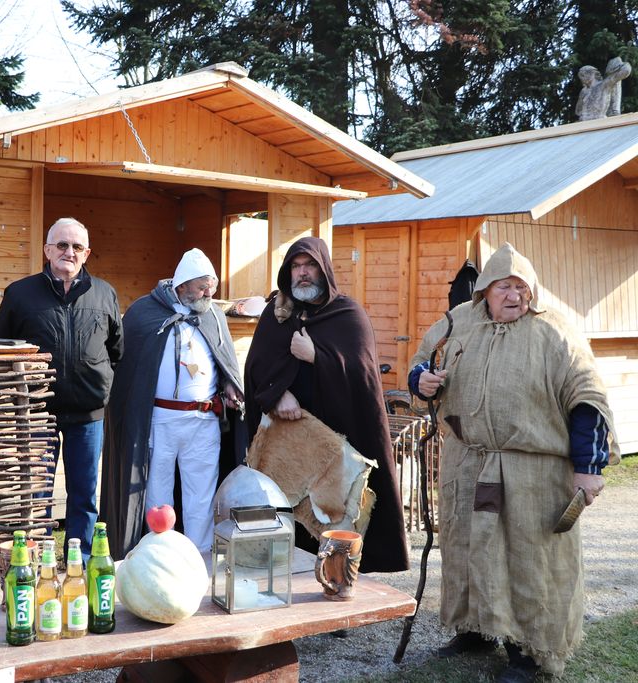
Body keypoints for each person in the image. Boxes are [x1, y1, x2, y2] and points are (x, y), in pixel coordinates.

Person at [410, 242, 619, 682]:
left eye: (521, 287)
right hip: (468, 462)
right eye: (503, 286)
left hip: (532, 473)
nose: (514, 295)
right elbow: (422, 362)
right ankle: (476, 629)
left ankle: (528, 650)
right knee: (466, 549)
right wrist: (422, 381)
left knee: (528, 559)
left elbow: (587, 400)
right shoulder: (458, 322)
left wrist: (589, 467)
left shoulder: (555, 332)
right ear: (484, 289)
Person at [244, 236, 409, 573]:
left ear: (325, 270)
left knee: (335, 518)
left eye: (310, 266)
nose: (303, 273)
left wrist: (316, 356)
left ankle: (336, 586)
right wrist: (276, 394)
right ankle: (285, 588)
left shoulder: (347, 314)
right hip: (288, 445)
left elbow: (362, 378)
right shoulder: (276, 314)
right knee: (288, 518)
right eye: (297, 266)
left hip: (336, 445)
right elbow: (256, 367)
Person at [0, 217, 123, 558]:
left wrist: (102, 384)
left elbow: (116, 350)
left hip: (88, 412)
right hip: (37, 412)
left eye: (77, 247)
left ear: (87, 253)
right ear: (48, 250)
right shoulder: (20, 293)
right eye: (62, 245)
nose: (70, 252)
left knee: (84, 492)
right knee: (37, 493)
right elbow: (0, 347)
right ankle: (38, 560)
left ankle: (79, 561)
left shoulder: (105, 293)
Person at [102, 249, 243, 556]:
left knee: (201, 494)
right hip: (160, 420)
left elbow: (224, 361)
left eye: (212, 286)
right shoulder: (144, 312)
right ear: (182, 285)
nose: (209, 293)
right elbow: (128, 368)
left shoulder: (214, 316)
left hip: (203, 420)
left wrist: (231, 384)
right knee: (157, 494)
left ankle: (200, 558)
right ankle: (159, 557)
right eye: (202, 286)